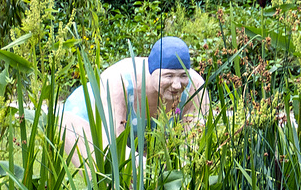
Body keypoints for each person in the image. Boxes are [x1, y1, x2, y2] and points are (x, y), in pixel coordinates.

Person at [59, 36, 209, 167]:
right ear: (152, 72)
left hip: (143, 131)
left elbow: (194, 143)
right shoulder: (118, 81)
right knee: (109, 177)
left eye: (183, 76)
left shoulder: (195, 87)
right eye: (168, 76)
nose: (177, 85)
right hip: (88, 117)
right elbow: (112, 144)